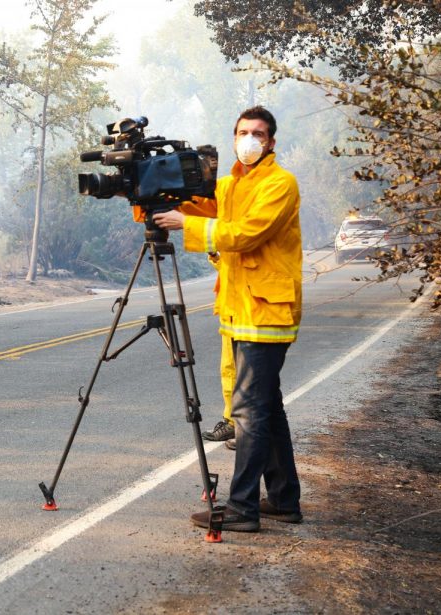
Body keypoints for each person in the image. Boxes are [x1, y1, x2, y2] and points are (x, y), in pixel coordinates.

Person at [153, 106, 303, 532]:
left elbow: (243, 233)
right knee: (267, 409)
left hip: (268, 315)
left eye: (258, 133)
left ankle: (241, 509)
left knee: (250, 413)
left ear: (271, 142)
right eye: (242, 132)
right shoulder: (231, 184)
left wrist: (189, 225)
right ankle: (284, 499)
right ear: (234, 136)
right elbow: (203, 206)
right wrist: (153, 194)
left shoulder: (280, 184)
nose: (249, 139)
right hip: (242, 311)